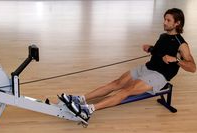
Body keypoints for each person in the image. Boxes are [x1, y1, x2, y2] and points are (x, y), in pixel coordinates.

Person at [60, 8, 196, 121]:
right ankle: (80, 99)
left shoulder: (181, 44)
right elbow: (161, 51)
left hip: (159, 75)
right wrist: (151, 48)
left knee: (127, 91)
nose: (164, 22)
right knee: (116, 83)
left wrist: (177, 60)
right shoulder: (163, 36)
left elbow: (193, 67)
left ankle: (88, 110)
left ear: (177, 23)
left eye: (168, 20)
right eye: (164, 19)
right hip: (147, 68)